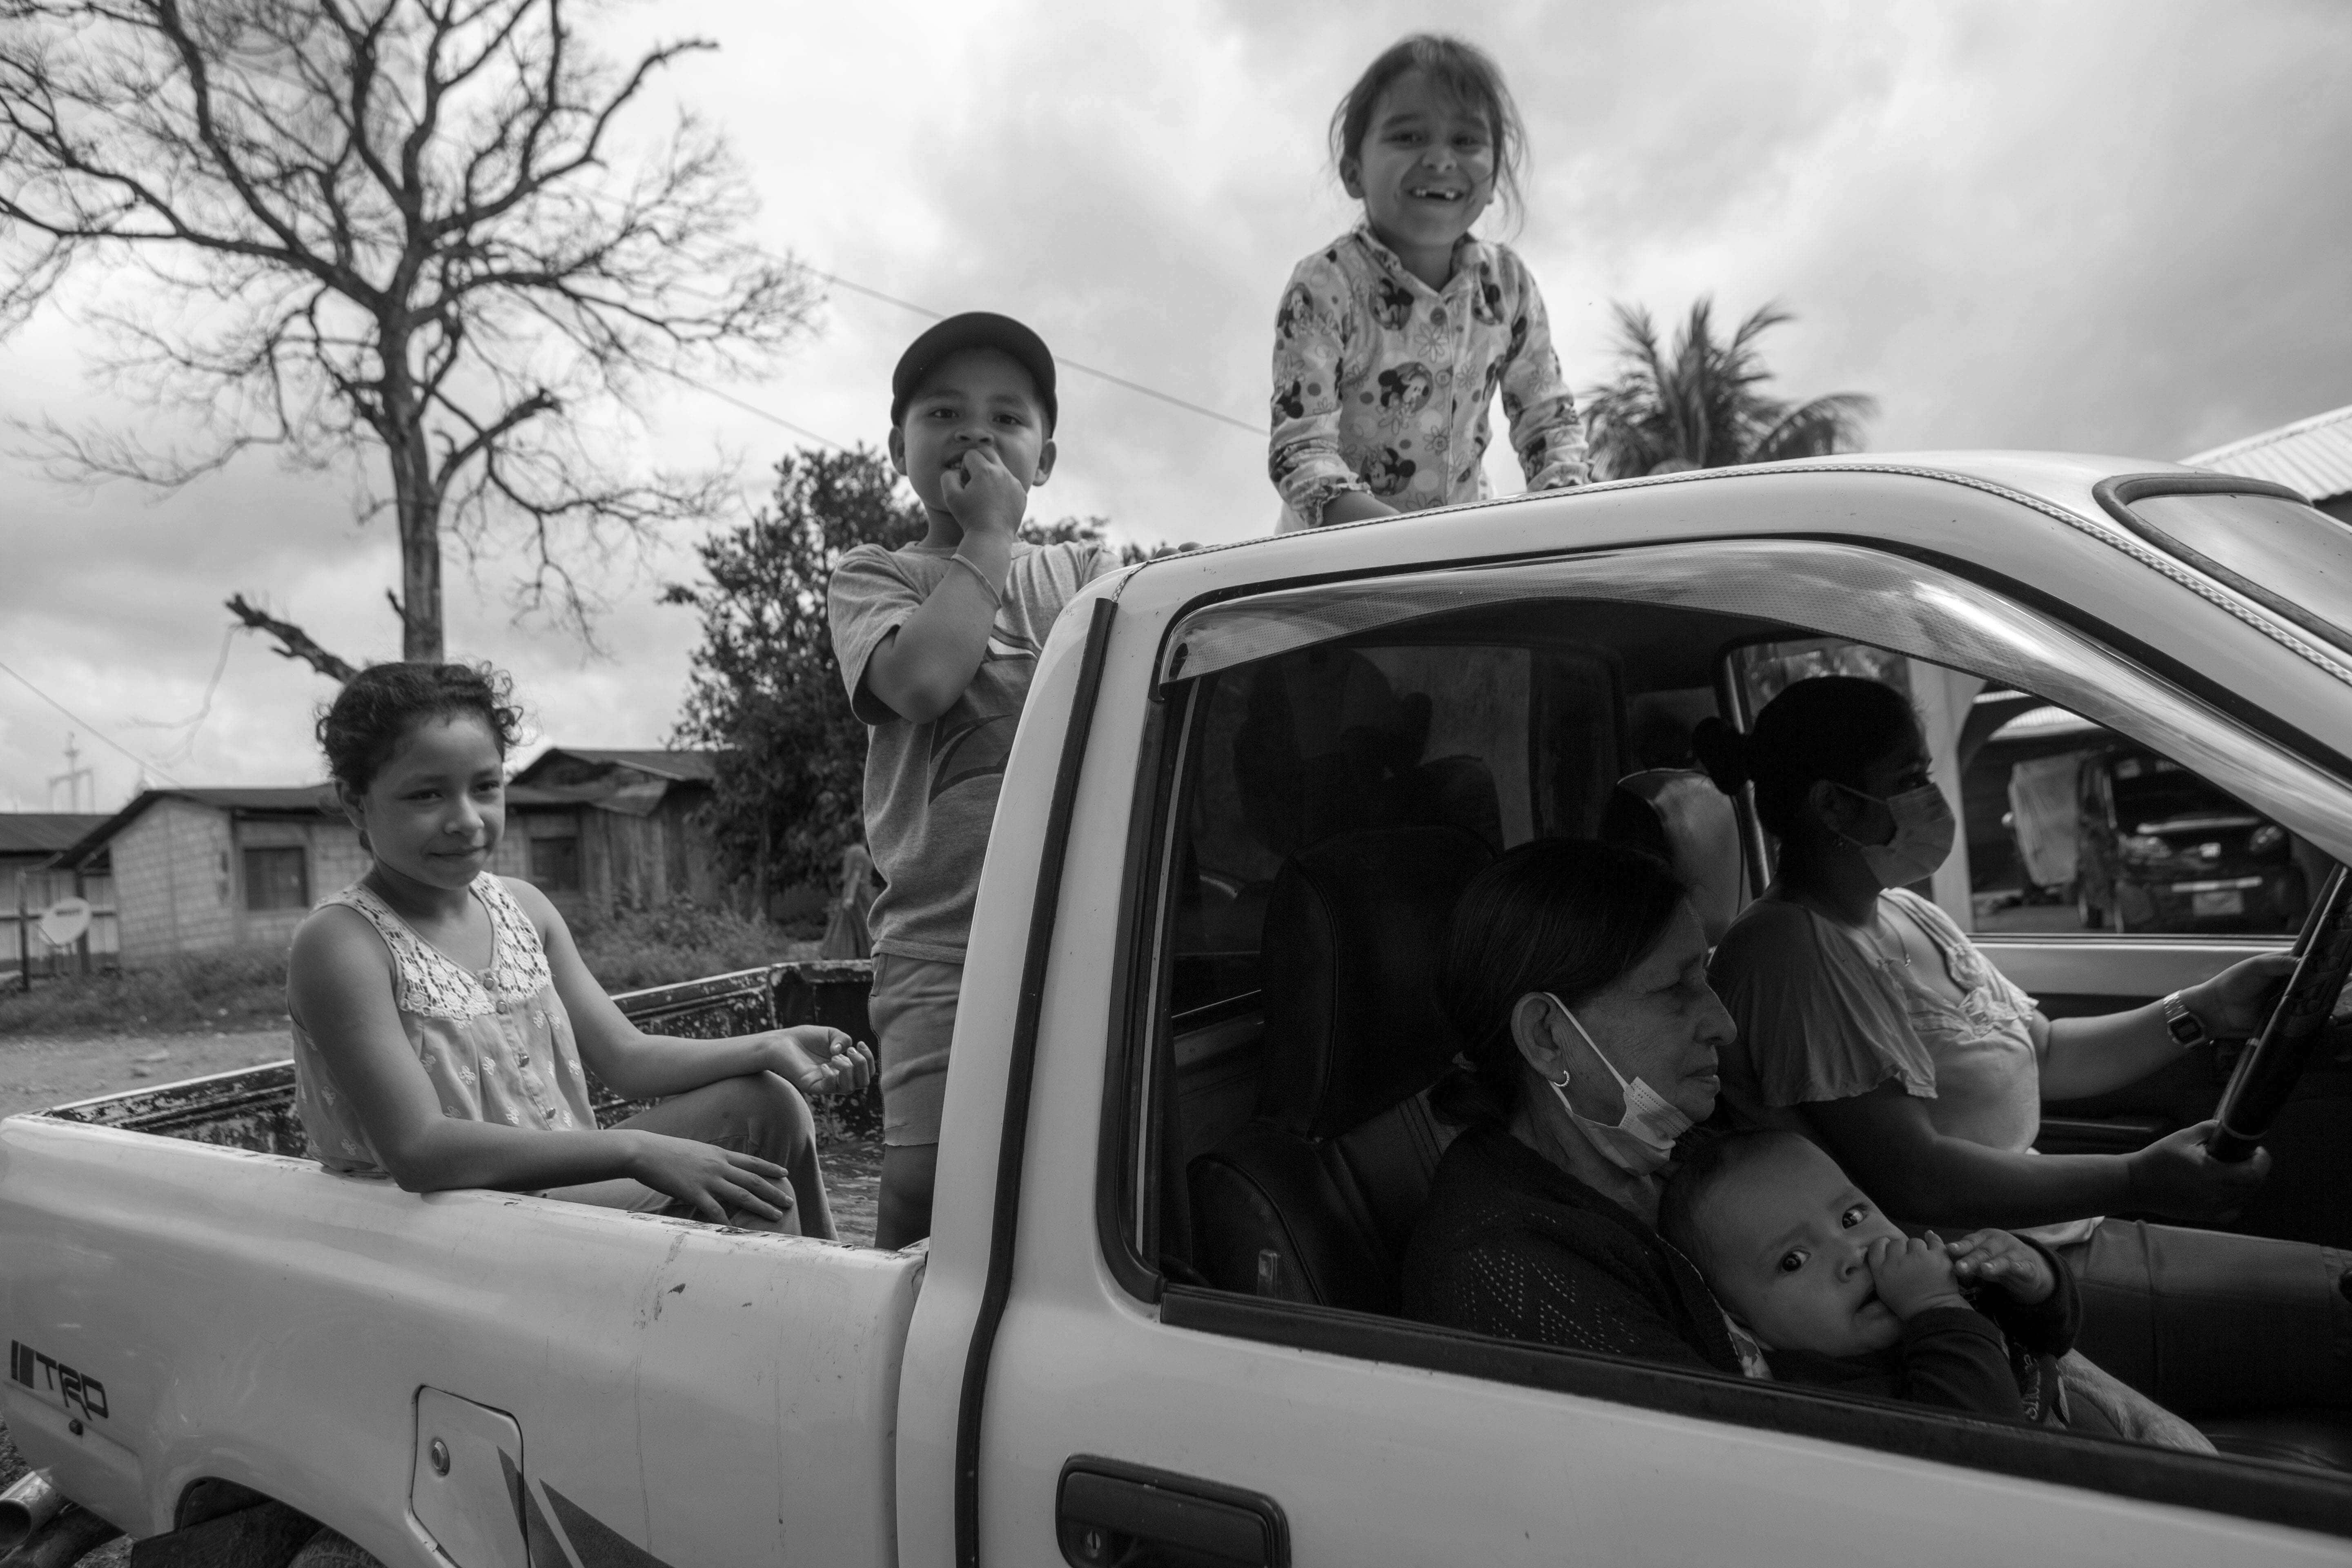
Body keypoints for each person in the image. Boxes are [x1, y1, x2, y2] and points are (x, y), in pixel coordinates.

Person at [1696, 675, 2352, 1415]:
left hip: (2047, 1239)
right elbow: (1918, 1181)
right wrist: (2135, 1178)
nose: (1930, 799)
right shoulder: (1790, 953)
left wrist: (2202, 1009)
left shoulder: (1905, 913)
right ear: (1833, 805)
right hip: (1985, 1274)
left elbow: (2044, 1053)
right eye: (1909, 779)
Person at [287, 662, 873, 1236]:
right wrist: (636, 1151)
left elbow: (627, 1057)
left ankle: (839, 1283)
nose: (466, 820)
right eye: (426, 795)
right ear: (356, 802)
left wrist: (770, 1046)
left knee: (770, 1104)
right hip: (450, 1222)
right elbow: (419, 1149)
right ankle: (805, 1297)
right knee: (745, 1202)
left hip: (555, 1194)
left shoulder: (523, 908)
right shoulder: (343, 943)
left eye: (485, 787)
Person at [828, 312, 1116, 1247]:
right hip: (937, 941)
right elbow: (919, 683)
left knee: (1069, 1166)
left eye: (1006, 417)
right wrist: (988, 538)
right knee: (924, 1182)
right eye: (944, 412)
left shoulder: (1084, 571)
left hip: (1078, 927)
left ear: (1045, 460)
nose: (974, 434)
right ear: (896, 448)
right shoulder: (874, 575)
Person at [1402, 839, 1763, 1377]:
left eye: (1704, 977)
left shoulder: (1679, 1155)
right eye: (1674, 989)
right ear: (1547, 1037)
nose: (1724, 1025)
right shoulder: (1513, 1274)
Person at [1660, 1129, 2208, 1449]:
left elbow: (2049, 1338)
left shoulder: (1936, 1293)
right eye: (1794, 1260)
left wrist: (2035, 1280)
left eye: (1853, 1217)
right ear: (1744, 1325)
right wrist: (1937, 1307)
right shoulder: (1833, 1404)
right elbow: (1982, 1445)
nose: (1853, 1253)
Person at [1268, 34, 1586, 531]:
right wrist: (1402, 542)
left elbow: (1549, 422)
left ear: (1494, 178)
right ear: (1354, 173)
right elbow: (1301, 449)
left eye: (1466, 141)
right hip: (1334, 554)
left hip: (1458, 550)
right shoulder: (1325, 286)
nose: (1440, 159)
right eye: (1409, 137)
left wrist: (1563, 519)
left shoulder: (1507, 287)